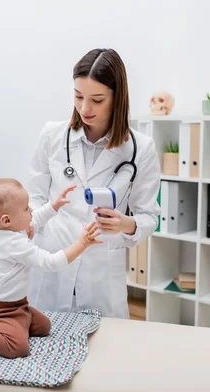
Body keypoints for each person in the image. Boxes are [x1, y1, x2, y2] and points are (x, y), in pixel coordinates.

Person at [26, 48, 161, 319]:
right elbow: (35, 197)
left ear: (117, 98)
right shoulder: (52, 135)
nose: (85, 108)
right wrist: (31, 224)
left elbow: (149, 216)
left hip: (102, 274)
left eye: (97, 100)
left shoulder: (141, 149)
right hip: (53, 258)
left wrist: (125, 224)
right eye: (78, 96)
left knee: (104, 351)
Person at [0, 178, 102, 359]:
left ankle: (18, 322)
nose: (31, 211)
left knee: (44, 327)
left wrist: (54, 206)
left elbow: (34, 219)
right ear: (6, 220)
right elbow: (50, 262)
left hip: (18, 305)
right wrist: (81, 243)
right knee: (17, 348)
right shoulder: (12, 243)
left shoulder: (9, 229)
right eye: (26, 208)